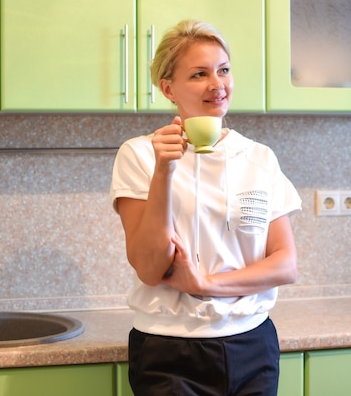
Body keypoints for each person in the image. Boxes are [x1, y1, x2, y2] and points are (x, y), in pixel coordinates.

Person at [110, 19, 302, 396]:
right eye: (199, 74)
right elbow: (150, 268)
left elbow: (285, 263)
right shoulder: (139, 154)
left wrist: (205, 285)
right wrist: (165, 169)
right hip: (169, 351)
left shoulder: (259, 157)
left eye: (224, 70)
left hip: (253, 343)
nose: (217, 85)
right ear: (168, 88)